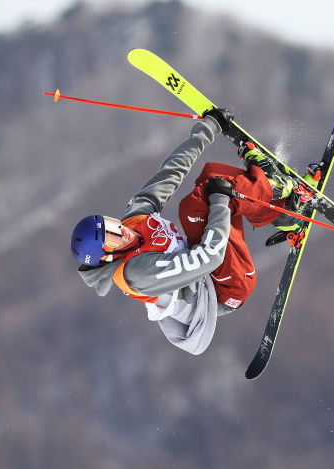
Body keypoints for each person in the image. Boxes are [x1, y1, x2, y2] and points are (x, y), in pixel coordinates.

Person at [71, 109, 300, 354]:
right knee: (216, 198)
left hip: (212, 266)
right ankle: (274, 189)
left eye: (111, 224)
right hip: (223, 289)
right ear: (108, 256)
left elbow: (170, 173)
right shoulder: (136, 273)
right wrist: (221, 201)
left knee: (210, 181)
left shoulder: (134, 220)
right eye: (113, 238)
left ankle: (281, 212)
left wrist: (208, 128)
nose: (121, 231)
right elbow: (209, 257)